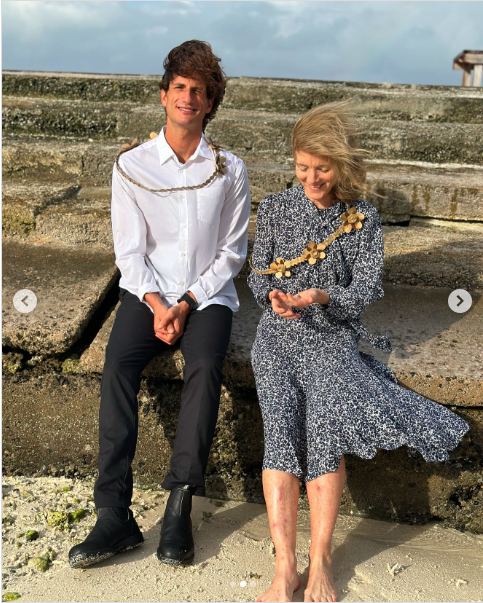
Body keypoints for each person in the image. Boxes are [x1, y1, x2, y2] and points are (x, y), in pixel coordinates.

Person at [248, 103, 469, 603]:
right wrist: (276, 299)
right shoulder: (277, 207)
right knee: (280, 435)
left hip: (332, 338)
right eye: (302, 167)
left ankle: (321, 559)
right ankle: (285, 568)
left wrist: (321, 297)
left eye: (321, 168)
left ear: (341, 165)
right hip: (277, 338)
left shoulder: (362, 217)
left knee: (325, 433)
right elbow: (258, 273)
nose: (310, 178)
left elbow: (367, 289)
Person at [69, 40, 251, 569]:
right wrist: (156, 304)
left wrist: (188, 301)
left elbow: (231, 252)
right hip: (146, 292)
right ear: (164, 93)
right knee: (118, 365)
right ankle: (113, 515)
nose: (188, 97)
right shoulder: (131, 165)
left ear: (211, 102)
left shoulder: (229, 168)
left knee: (203, 366)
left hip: (207, 295)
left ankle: (179, 506)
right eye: (180, 87)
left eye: (199, 90)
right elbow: (129, 251)